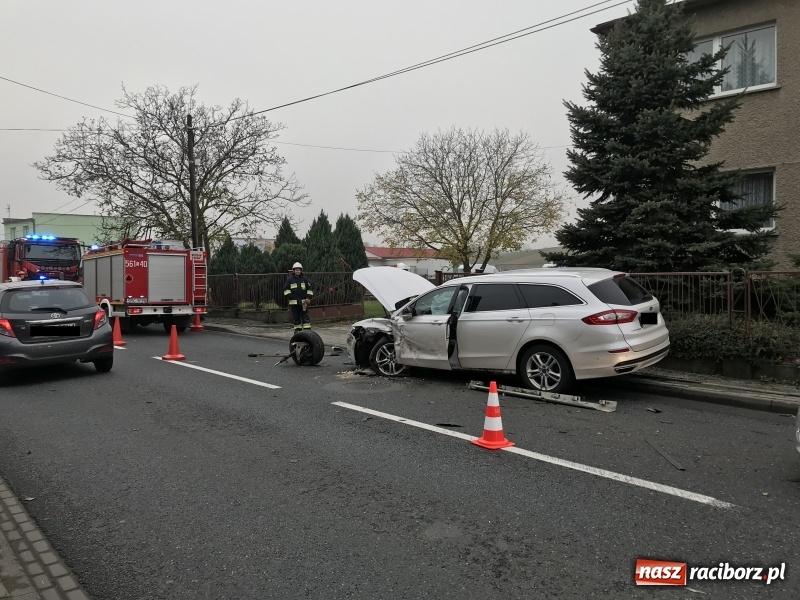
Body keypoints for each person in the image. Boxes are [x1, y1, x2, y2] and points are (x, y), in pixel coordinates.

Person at [283, 262, 314, 331]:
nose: (298, 271)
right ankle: (298, 332)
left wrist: (308, 298)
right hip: (294, 303)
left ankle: (307, 331)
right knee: (296, 318)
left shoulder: (304, 279)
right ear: (293, 271)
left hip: (303, 303)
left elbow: (309, 289)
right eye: (296, 270)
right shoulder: (290, 280)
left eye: (299, 270)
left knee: (305, 317)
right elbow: (286, 290)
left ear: (301, 270)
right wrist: (291, 297)